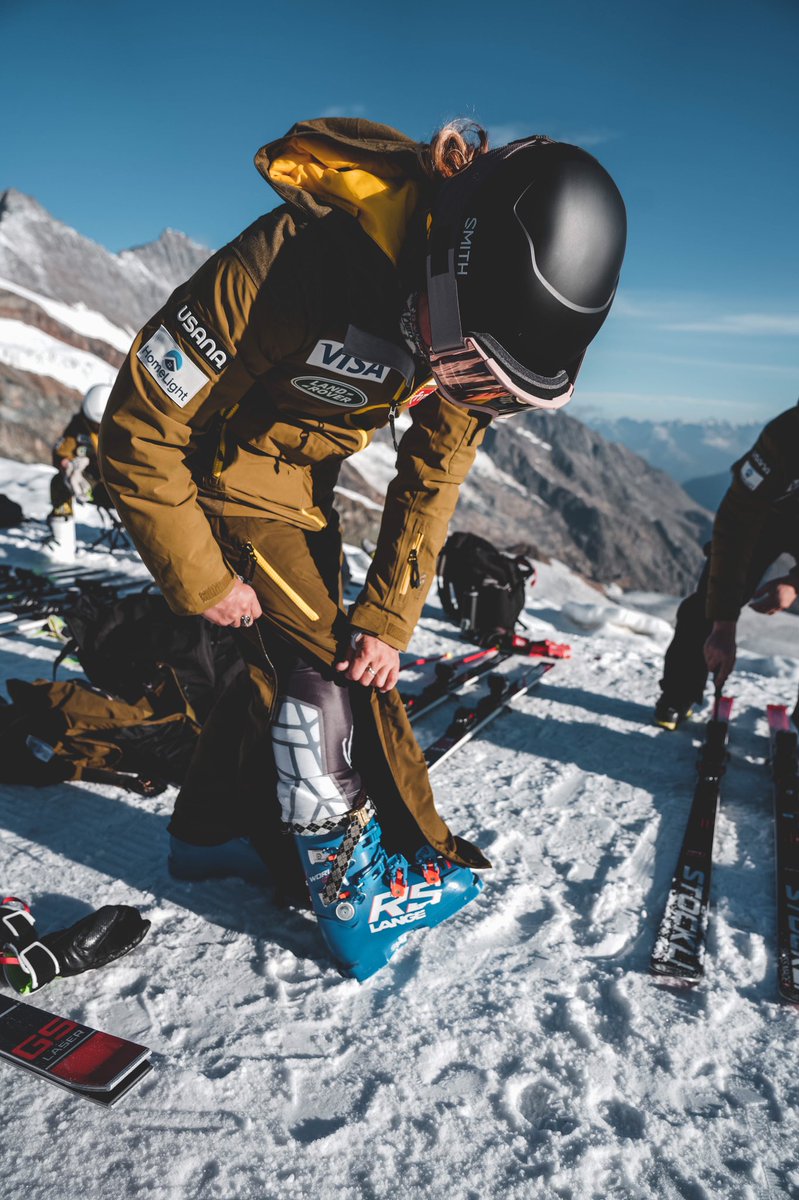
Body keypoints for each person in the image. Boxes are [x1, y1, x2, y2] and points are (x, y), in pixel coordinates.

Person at [99, 117, 626, 981]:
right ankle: (353, 894)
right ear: (440, 270)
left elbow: (434, 475)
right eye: (461, 364)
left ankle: (212, 834)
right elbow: (140, 426)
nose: (460, 386)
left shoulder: (473, 322)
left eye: (488, 385)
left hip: (301, 482)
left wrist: (389, 615)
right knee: (324, 672)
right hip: (211, 469)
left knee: (303, 656)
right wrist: (201, 576)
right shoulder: (291, 264)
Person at [655, 402, 799, 730]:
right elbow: (735, 526)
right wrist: (723, 624)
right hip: (768, 517)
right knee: (705, 605)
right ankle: (680, 694)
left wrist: (795, 584)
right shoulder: (787, 433)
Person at [44, 383, 114, 562]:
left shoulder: (126, 427)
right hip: (93, 489)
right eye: (93, 423)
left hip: (123, 491)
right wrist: (68, 467)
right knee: (59, 483)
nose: (96, 427)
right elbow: (61, 452)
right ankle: (62, 543)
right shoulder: (77, 428)